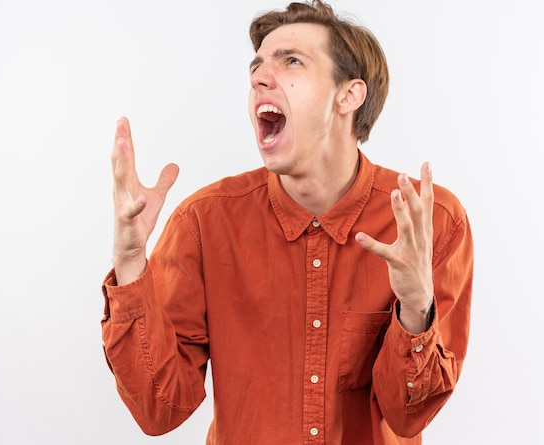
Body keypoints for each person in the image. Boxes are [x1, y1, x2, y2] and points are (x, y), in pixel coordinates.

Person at [101, 1, 474, 444]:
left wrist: (415, 309)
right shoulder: (204, 223)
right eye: (256, 68)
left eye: (292, 61)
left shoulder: (430, 221)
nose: (259, 77)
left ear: (349, 96)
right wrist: (129, 265)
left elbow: (409, 415)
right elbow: (160, 409)